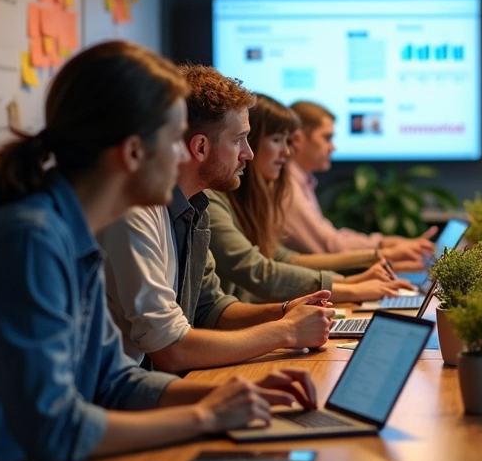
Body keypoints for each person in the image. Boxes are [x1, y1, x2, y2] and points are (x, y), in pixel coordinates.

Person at [0, 43, 318, 461]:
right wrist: (204, 417)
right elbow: (55, 430)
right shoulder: (29, 240)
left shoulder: (71, 233)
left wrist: (229, 397)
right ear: (131, 153)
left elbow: (116, 380)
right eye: (173, 141)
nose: (185, 155)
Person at [99, 65, 333, 374]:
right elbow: (170, 350)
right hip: (127, 390)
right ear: (200, 147)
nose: (247, 153)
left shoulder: (194, 206)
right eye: (239, 140)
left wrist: (287, 312)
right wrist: (286, 331)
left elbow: (210, 307)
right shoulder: (135, 212)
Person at [208, 93, 414, 304]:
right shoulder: (213, 199)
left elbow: (281, 257)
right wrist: (354, 284)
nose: (287, 152)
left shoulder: (249, 199)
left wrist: (355, 278)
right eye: (277, 140)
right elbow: (260, 272)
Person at [283, 100, 436, 259]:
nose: (333, 147)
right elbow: (330, 246)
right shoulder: (287, 185)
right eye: (327, 138)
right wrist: (387, 249)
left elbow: (333, 239)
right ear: (297, 140)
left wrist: (387, 244)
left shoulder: (301, 180)